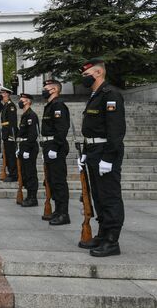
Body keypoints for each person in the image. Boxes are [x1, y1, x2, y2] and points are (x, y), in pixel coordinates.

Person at [79, 58, 126, 257]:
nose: (83, 79)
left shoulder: (111, 94)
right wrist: (85, 153)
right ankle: (102, 233)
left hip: (105, 152)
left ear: (98, 73)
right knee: (97, 196)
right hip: (93, 151)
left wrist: (108, 157)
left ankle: (112, 240)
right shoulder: (95, 95)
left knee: (109, 196)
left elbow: (116, 130)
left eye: (86, 75)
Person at [40, 79, 70, 225]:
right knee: (51, 180)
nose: (43, 90)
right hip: (48, 145)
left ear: (54, 90)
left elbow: (61, 129)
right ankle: (57, 211)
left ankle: (63, 213)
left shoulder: (58, 105)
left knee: (59, 181)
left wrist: (55, 147)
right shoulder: (50, 105)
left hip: (55, 147)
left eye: (46, 88)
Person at [17, 93, 39, 207]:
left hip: (30, 147)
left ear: (28, 101)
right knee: (25, 173)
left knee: (30, 173)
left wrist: (27, 149)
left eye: (22, 100)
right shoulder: (24, 115)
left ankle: (32, 197)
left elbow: (33, 134)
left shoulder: (31, 115)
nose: (20, 102)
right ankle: (28, 195)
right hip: (24, 145)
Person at [0, 86, 18, 182]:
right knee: (7, 154)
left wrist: (12, 135)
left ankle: (14, 174)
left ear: (7, 94)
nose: (1, 95)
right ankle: (10, 172)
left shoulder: (11, 106)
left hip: (10, 133)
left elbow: (13, 122)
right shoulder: (5, 105)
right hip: (5, 132)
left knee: (11, 155)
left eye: (3, 93)